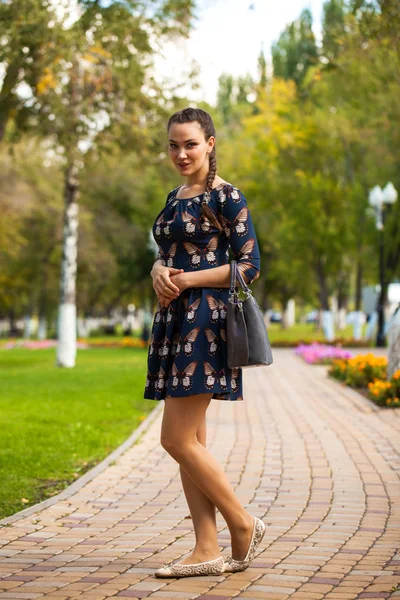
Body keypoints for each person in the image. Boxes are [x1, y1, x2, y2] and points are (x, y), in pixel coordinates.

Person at [144, 107, 266, 578]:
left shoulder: (226, 196)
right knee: (192, 440)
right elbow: (165, 253)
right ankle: (206, 548)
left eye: (190, 144)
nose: (180, 153)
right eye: (173, 144)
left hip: (206, 323)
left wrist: (189, 280)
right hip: (173, 322)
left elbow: (249, 265)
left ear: (210, 143)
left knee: (174, 438)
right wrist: (158, 270)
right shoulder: (175, 197)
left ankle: (243, 522)